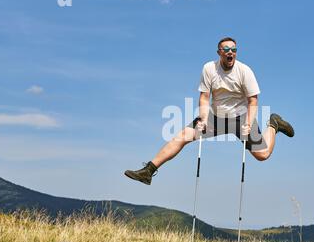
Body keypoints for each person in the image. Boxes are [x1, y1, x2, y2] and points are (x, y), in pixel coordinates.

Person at [125, 37, 294, 185]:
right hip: (215, 117)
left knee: (263, 155)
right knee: (183, 136)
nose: (230, 52)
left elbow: (253, 100)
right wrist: (204, 119)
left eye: (234, 49)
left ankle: (274, 124)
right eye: (226, 49)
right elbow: (205, 97)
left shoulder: (245, 71)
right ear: (219, 52)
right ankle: (148, 171)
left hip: (241, 118)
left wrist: (249, 124)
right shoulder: (209, 69)